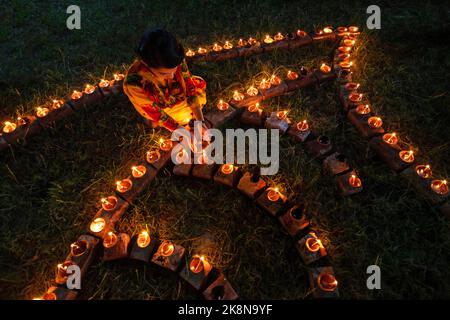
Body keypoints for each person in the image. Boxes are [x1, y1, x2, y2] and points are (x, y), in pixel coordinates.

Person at [123, 28, 207, 133]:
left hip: (176, 96)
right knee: (159, 118)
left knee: (197, 92)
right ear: (145, 63)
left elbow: (189, 86)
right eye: (163, 73)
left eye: (174, 69)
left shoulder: (174, 58)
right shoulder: (134, 83)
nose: (172, 76)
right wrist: (182, 132)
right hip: (159, 104)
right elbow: (157, 113)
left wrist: (200, 121)